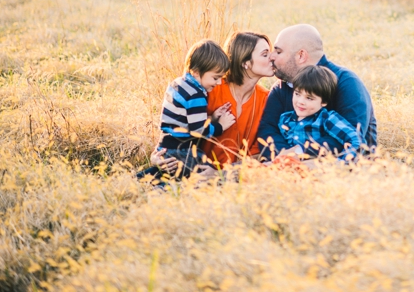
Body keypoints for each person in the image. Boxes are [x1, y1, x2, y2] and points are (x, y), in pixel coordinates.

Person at [149, 31, 274, 175]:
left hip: (235, 180)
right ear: (245, 62)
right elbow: (177, 126)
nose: (272, 57)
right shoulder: (208, 89)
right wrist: (157, 157)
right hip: (192, 169)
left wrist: (220, 175)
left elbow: (260, 154)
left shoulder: (267, 99)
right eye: (265, 54)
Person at [256, 24, 377, 160]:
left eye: (278, 52)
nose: (271, 56)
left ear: (301, 55)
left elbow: (353, 137)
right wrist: (284, 158)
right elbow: (267, 129)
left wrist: (299, 152)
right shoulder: (282, 87)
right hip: (288, 170)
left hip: (344, 172)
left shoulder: (346, 82)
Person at [154, 39, 235, 178]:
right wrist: (220, 126)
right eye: (215, 77)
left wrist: (212, 117)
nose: (219, 82)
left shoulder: (178, 84)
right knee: (207, 175)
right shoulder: (196, 95)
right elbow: (198, 130)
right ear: (197, 72)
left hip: (166, 147)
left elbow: (183, 120)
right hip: (181, 151)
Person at [277, 65, 362, 161]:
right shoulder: (285, 119)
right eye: (297, 94)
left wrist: (343, 162)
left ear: (324, 102)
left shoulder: (327, 119)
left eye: (309, 98)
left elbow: (356, 139)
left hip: (320, 169)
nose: (300, 101)